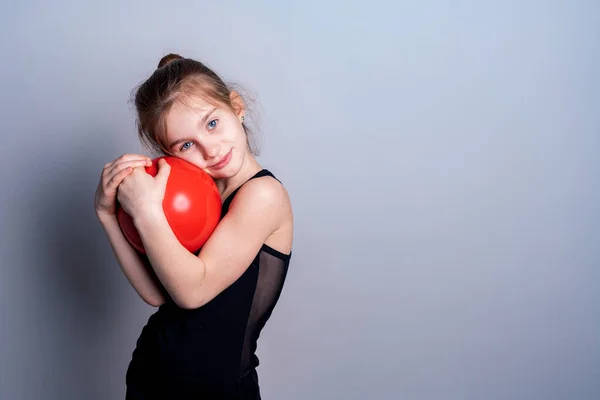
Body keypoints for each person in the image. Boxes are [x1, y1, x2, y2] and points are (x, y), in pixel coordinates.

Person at [93, 53, 294, 399]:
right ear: (169, 155)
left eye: (212, 123)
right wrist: (107, 214)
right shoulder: (195, 195)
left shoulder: (263, 194)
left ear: (236, 106)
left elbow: (192, 291)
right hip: (152, 378)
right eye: (187, 145)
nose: (210, 150)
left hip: (220, 390)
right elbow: (159, 293)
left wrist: (146, 211)